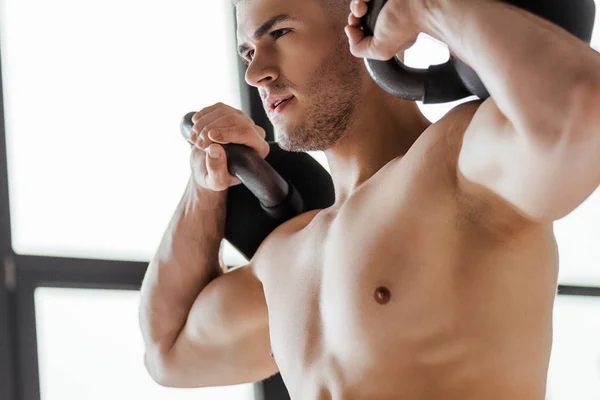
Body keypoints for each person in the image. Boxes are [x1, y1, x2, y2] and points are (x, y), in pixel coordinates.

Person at [139, 0, 600, 398]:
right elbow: (168, 350)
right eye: (248, 51)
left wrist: (426, 8)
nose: (257, 72)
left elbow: (583, 116)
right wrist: (205, 186)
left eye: (280, 32)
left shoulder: (460, 163)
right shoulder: (287, 254)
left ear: (370, 23)